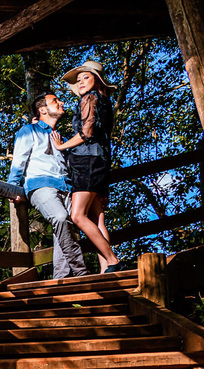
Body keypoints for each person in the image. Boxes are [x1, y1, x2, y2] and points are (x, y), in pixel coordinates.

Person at [8, 90, 88, 280]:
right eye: (55, 101)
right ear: (43, 110)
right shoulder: (29, 130)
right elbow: (18, 160)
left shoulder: (60, 137)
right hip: (40, 185)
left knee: (67, 228)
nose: (60, 102)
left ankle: (60, 279)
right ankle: (81, 272)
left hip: (66, 189)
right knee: (60, 218)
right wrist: (12, 187)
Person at [53, 60, 123, 273]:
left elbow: (87, 132)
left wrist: (61, 145)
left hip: (87, 162)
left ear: (97, 80)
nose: (81, 82)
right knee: (96, 217)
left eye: (86, 77)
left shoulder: (90, 98)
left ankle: (112, 260)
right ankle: (105, 271)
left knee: (77, 215)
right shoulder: (104, 101)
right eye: (79, 79)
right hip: (100, 161)